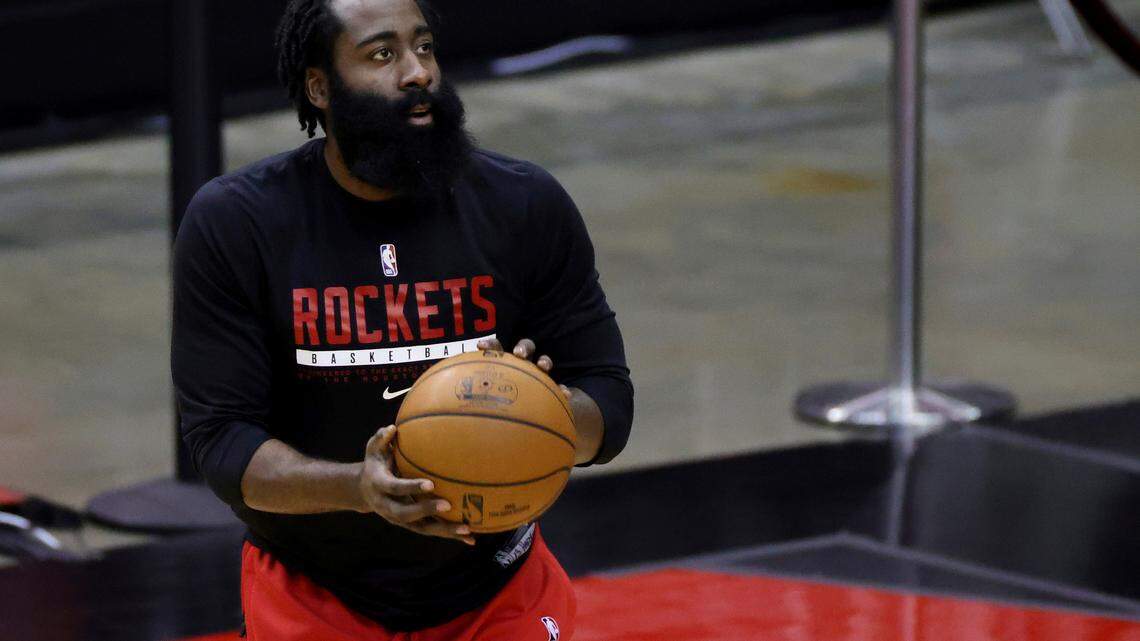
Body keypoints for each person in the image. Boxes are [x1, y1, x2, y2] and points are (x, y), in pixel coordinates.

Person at [170, 0, 633, 639]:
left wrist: (546, 413)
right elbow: (222, 446)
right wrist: (359, 488)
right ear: (319, 86)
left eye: (424, 47)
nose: (417, 72)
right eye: (382, 54)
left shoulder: (524, 204)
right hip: (315, 589)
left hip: (496, 588)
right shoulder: (238, 223)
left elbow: (609, 402)